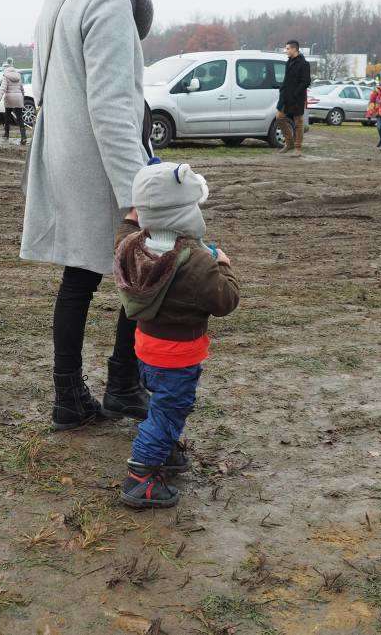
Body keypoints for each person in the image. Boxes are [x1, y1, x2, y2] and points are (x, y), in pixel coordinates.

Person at [20, 0, 154, 431]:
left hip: (64, 155)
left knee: (80, 277)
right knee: (143, 268)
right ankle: (123, 382)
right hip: (103, 162)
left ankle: (69, 396)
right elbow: (113, 107)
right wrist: (136, 193)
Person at [114, 162, 239, 508]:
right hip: (179, 355)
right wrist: (223, 265)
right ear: (186, 214)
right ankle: (140, 477)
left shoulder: (130, 247)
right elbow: (226, 301)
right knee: (170, 410)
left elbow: (126, 229)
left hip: (146, 348)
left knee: (161, 402)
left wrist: (136, 213)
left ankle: (165, 451)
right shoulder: (197, 263)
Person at [277, 40, 310, 156]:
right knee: (279, 117)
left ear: (294, 49)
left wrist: (296, 93)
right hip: (286, 97)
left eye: (287, 49)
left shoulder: (304, 64)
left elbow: (306, 81)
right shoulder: (288, 62)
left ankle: (298, 148)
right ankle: (289, 143)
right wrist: (282, 90)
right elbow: (286, 80)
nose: (286, 51)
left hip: (297, 98)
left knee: (298, 122)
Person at [0, 58, 27, 145]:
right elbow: (22, 88)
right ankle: (23, 137)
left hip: (9, 98)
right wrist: (22, 97)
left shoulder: (5, 76)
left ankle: (6, 134)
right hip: (18, 98)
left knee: (7, 116)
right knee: (20, 118)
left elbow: (3, 88)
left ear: (6, 69)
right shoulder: (18, 75)